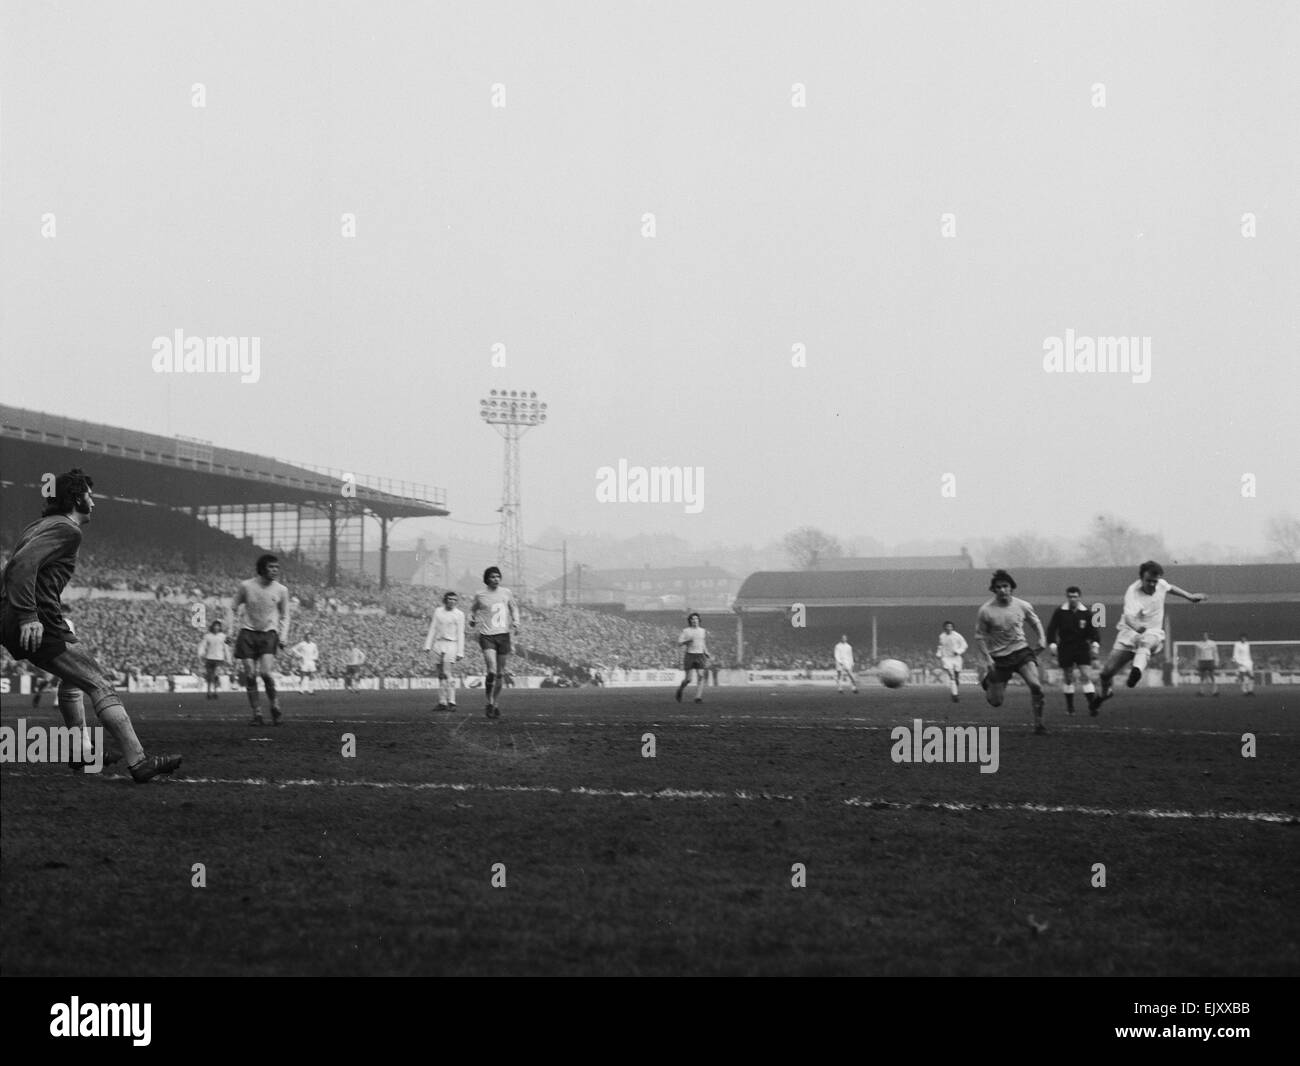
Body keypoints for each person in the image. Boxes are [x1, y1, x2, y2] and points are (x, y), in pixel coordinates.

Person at [0, 469, 181, 781]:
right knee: (99, 684)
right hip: (38, 620)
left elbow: (12, 568)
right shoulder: (68, 530)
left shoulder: (38, 526)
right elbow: (21, 565)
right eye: (90, 496)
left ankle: (81, 752)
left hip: (15, 616)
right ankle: (139, 762)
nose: (94, 503)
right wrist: (29, 617)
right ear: (77, 499)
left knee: (73, 680)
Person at [1094, 562, 1205, 710]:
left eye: (1155, 581)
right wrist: (1137, 628)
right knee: (1105, 673)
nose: (1153, 584)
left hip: (1153, 632)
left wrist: (1189, 596)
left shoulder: (1161, 584)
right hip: (1129, 633)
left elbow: (1170, 587)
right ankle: (1106, 692)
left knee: (1146, 642)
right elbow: (1128, 618)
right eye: (1149, 581)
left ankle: (1136, 672)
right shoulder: (1132, 592)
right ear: (1141, 579)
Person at [974, 569, 1048, 734]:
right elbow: (979, 636)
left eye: (1005, 586)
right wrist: (987, 658)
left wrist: (1042, 638)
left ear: (1011, 588)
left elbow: (1035, 622)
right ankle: (989, 682)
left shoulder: (1023, 605)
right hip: (999, 658)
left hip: (1021, 652)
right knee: (995, 702)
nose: (1002, 590)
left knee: (1037, 686)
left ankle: (1039, 725)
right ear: (994, 590)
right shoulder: (986, 610)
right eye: (998, 587)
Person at [229, 553, 290, 726]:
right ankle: (257, 713)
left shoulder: (281, 590)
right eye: (271, 567)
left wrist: (283, 637)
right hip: (247, 632)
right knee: (249, 674)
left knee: (265, 673)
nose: (275, 570)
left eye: (277, 567)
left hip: (269, 633)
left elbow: (286, 616)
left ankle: (275, 705)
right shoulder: (246, 586)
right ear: (262, 568)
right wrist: (230, 630)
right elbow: (232, 607)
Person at [468, 566, 521, 719]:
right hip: (487, 636)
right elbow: (472, 610)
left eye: (498, 576)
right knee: (491, 670)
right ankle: (489, 701)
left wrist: (516, 622)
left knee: (500, 673)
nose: (496, 579)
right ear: (487, 579)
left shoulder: (506, 593)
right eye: (492, 577)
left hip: (503, 636)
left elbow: (514, 608)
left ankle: (495, 703)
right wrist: (471, 619)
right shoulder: (480, 595)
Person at [1045, 586, 1100, 716]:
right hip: (1065, 647)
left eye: (1075, 596)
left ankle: (1092, 706)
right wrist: (1052, 644)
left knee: (1085, 675)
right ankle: (1070, 708)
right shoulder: (1060, 612)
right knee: (1068, 677)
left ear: (1079, 597)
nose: (1072, 599)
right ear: (1067, 597)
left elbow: (1093, 631)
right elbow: (1052, 629)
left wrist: (1095, 644)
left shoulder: (1086, 613)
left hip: (1082, 647)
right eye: (1070, 596)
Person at [423, 591, 466, 711]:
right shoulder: (438, 611)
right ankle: (442, 702)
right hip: (438, 643)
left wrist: (460, 651)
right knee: (440, 675)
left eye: (454, 600)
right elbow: (433, 627)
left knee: (447, 673)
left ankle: (452, 701)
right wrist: (427, 645)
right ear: (445, 600)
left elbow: (461, 633)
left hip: (451, 644)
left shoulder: (459, 614)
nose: (452, 601)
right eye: (450, 599)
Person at [675, 612, 710, 704]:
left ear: (699, 620)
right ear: (690, 621)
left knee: (701, 676)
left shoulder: (702, 631)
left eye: (696, 619)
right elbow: (679, 643)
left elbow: (703, 642)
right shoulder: (686, 631)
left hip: (700, 655)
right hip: (690, 655)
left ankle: (698, 697)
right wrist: (687, 641)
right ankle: (680, 689)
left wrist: (706, 651)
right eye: (693, 619)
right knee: (688, 679)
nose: (695, 620)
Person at [935, 621, 969, 702]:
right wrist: (938, 653)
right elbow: (940, 646)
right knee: (952, 676)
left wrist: (958, 651)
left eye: (950, 626)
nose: (949, 628)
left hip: (956, 658)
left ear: (952, 628)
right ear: (944, 628)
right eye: (947, 626)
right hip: (946, 658)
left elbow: (964, 645)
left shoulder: (957, 636)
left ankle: (954, 689)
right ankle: (955, 695)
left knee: (956, 677)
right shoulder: (942, 636)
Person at [197, 620, 229, 700]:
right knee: (209, 676)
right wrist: (200, 654)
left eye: (218, 626)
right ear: (213, 627)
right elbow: (202, 646)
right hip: (209, 658)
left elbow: (226, 647)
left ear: (220, 627)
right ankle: (208, 692)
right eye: (215, 626)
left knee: (215, 676)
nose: (216, 627)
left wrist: (228, 658)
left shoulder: (223, 636)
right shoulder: (207, 636)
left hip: (219, 659)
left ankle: (215, 692)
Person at [1194, 632, 1220, 697]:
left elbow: (1215, 653)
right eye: (1203, 635)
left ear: (1208, 636)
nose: (1205, 637)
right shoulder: (1198, 644)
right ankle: (1201, 692)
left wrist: (1217, 662)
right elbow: (1197, 654)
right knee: (1202, 677)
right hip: (1202, 661)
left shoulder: (1213, 643)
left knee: (1212, 676)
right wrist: (1196, 663)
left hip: (1210, 661)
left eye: (1206, 635)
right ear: (1202, 636)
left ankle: (1215, 691)